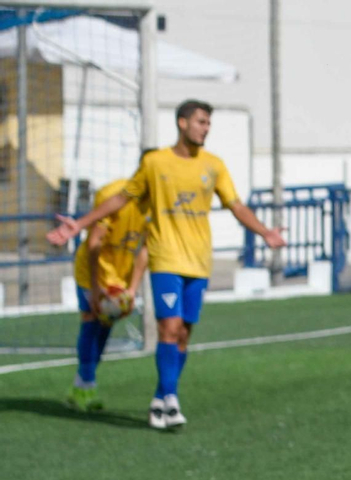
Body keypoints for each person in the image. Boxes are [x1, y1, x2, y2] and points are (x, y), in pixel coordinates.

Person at [47, 100, 286, 430]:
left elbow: (236, 205)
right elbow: (119, 201)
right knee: (165, 327)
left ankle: (161, 399)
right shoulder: (156, 163)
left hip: (199, 261)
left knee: (184, 334)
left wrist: (265, 232)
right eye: (201, 122)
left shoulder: (214, 165)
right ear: (182, 123)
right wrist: (80, 222)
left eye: (208, 124)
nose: (206, 128)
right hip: (164, 259)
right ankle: (149, 395)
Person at [65, 169, 151, 412]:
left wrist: (133, 289)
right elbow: (94, 242)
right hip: (91, 270)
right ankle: (86, 387)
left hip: (120, 273)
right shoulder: (113, 195)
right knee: (91, 320)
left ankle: (79, 385)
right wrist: (94, 288)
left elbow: (145, 249)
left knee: (105, 326)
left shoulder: (157, 204)